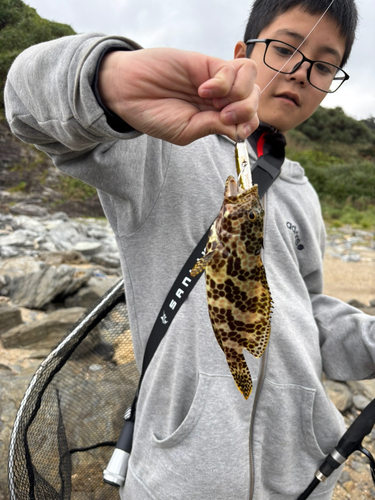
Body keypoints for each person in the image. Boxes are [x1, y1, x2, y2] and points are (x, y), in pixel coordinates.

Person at [4, 0, 375, 498]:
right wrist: (105, 80)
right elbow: (27, 106)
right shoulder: (162, 148)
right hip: (181, 479)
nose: (300, 73)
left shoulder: (302, 192)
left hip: (299, 479)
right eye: (285, 49)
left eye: (324, 65)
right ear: (242, 52)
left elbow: (302, 310)